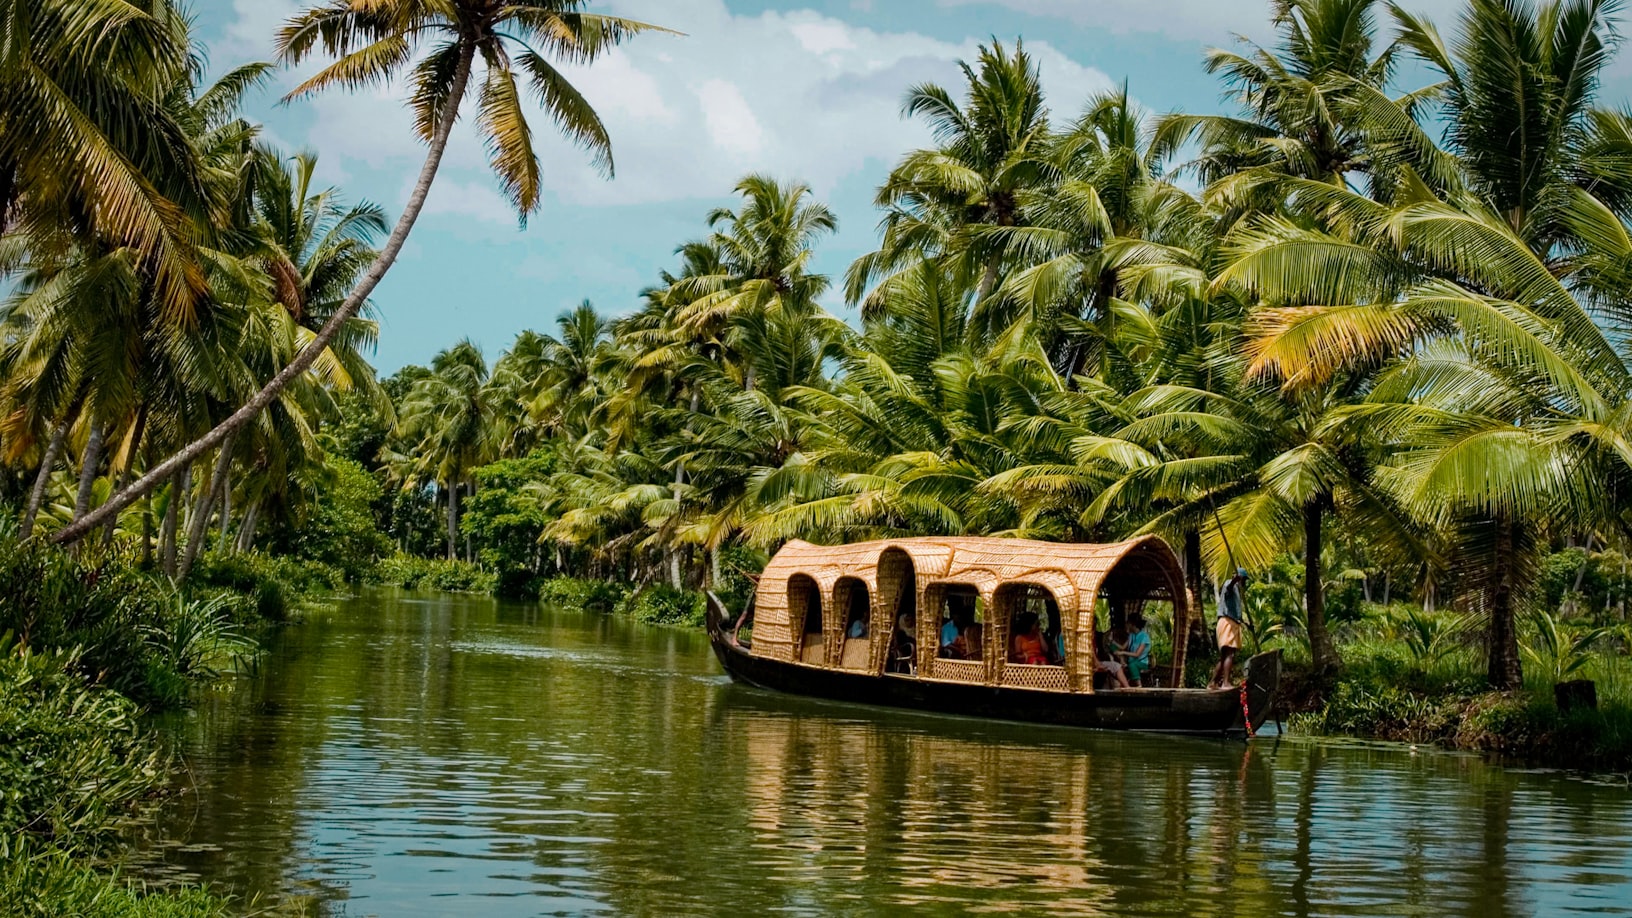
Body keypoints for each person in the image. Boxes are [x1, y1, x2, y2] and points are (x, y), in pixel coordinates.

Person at [1212, 567, 1249, 688]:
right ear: (1240, 578)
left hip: (1230, 622)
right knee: (1229, 654)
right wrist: (1234, 580)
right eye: (1244, 580)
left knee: (1224, 656)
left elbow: (1237, 613)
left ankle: (1213, 683)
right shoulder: (1230, 584)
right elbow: (1228, 589)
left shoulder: (1238, 591)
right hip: (1227, 622)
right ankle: (1225, 683)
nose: (1244, 583)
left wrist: (1247, 624)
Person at [1120, 612, 1152, 686]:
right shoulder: (1131, 635)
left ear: (1132, 624)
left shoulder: (1144, 636)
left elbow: (1137, 654)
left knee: (1132, 665)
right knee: (1122, 666)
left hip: (1142, 663)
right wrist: (1112, 642)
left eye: (1128, 623)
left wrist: (1123, 653)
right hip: (1130, 661)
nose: (1126, 625)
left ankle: (1139, 685)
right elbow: (1122, 648)